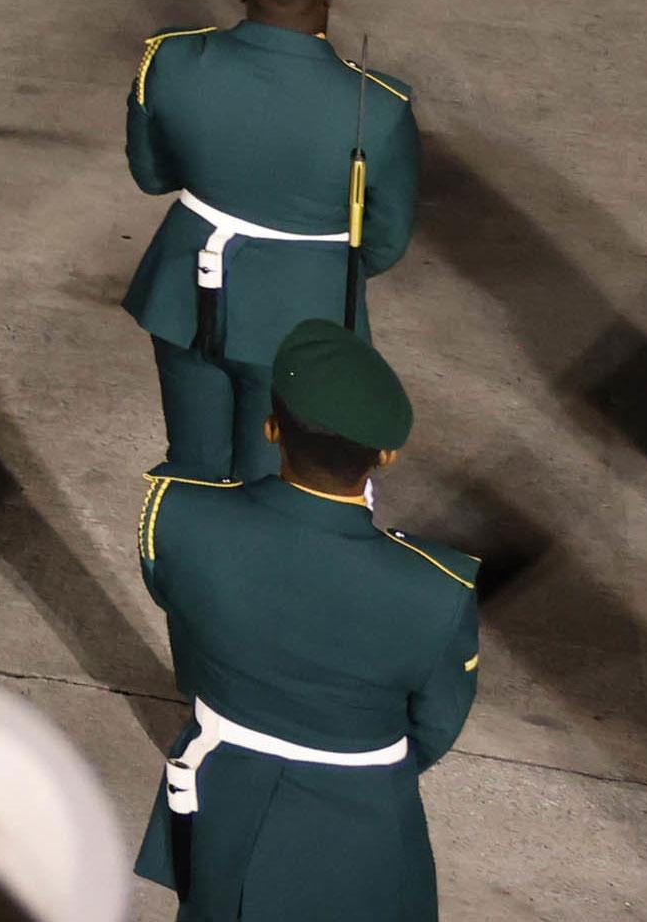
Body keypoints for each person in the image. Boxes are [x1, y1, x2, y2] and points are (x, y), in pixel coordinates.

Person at [134, 318, 479, 919]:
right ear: (387, 456)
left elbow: (183, 622)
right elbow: (435, 723)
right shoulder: (436, 587)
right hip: (363, 820)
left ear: (271, 430)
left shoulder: (179, 517)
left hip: (221, 794)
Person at [125, 0, 419, 483]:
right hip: (301, 313)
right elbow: (384, 241)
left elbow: (152, 176)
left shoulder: (170, 58)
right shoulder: (380, 106)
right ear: (326, 2)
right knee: (276, 481)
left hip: (184, 293)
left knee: (193, 468)